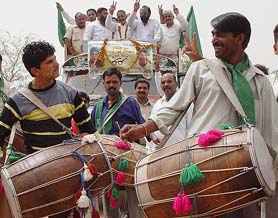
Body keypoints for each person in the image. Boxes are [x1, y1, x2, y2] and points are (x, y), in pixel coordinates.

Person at [121, 12, 278, 217]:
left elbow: (270, 133)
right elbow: (173, 108)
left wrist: (268, 174)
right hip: (202, 167)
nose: (213, 40)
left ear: (240, 39)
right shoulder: (201, 69)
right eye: (213, 34)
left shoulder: (261, 81)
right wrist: (143, 128)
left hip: (245, 174)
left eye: (220, 35)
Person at [0, 41, 96, 153]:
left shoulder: (71, 93)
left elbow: (90, 131)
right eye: (50, 62)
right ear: (35, 71)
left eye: (55, 59)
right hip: (36, 166)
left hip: (68, 164)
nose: (56, 64)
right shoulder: (17, 101)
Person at [91, 67, 145, 218]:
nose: (111, 85)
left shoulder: (130, 103)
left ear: (120, 83)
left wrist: (153, 138)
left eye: (115, 82)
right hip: (106, 159)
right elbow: (92, 131)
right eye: (108, 82)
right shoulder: (98, 106)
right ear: (103, 84)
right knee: (109, 195)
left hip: (128, 158)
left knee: (133, 193)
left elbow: (142, 125)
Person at [150, 72, 193, 148]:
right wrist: (153, 136)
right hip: (157, 151)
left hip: (177, 151)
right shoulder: (157, 104)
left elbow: (191, 128)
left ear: (176, 84)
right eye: (163, 82)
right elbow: (151, 125)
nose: (166, 84)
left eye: (169, 81)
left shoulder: (186, 104)